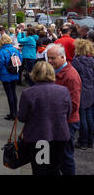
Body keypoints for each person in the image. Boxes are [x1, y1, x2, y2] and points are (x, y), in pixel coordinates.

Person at [18, 61, 72, 175]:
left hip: (39, 137)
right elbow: (68, 114)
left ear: (34, 74)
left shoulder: (28, 93)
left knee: (40, 170)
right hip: (60, 136)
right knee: (55, 168)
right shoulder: (64, 91)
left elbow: (22, 117)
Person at [47, 43, 82, 175]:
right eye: (48, 58)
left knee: (66, 157)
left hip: (67, 123)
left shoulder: (71, 76)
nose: (49, 61)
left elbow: (73, 106)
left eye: (52, 58)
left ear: (62, 57)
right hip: (59, 121)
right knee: (57, 157)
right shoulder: (57, 71)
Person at [71, 39, 94, 150]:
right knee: (89, 116)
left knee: (82, 117)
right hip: (90, 90)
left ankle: (83, 141)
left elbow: (73, 77)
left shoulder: (77, 61)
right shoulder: (92, 61)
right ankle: (90, 140)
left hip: (81, 91)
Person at [0, 34, 23, 120]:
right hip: (14, 74)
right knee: (13, 93)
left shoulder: (2, 52)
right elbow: (20, 60)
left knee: (9, 94)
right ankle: (16, 112)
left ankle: (12, 114)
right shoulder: (15, 50)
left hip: (5, 75)